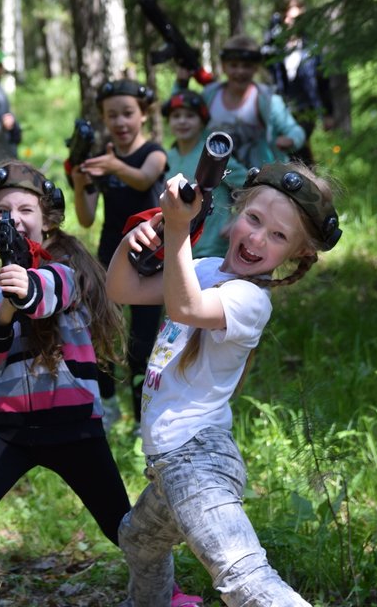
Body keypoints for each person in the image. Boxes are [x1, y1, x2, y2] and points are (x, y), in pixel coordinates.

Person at [0, 162, 201, 607]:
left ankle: (167, 596)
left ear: (47, 219)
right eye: (1, 211)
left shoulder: (69, 271)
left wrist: (26, 289)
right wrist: (3, 310)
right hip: (4, 431)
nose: (13, 217)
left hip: (75, 429)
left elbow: (53, 292)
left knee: (122, 526)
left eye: (24, 208)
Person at [105, 161, 342, 607]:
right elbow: (123, 289)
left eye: (277, 237)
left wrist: (178, 229)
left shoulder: (251, 300)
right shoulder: (210, 267)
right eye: (254, 220)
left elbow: (185, 308)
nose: (256, 239)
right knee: (137, 540)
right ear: (236, 212)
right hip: (171, 465)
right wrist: (137, 239)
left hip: (196, 461)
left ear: (296, 254)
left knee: (245, 580)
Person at [69, 79, 167, 427]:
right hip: (110, 257)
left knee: (143, 342)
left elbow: (143, 179)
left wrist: (112, 166)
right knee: (102, 334)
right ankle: (107, 404)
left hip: (153, 259)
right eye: (113, 116)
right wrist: (81, 184)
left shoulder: (153, 153)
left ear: (143, 115)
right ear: (104, 119)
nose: (121, 122)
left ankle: (144, 419)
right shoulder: (103, 160)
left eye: (128, 113)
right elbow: (85, 216)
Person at [176, 35, 304, 172]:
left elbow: (295, 131)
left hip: (260, 181)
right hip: (215, 179)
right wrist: (181, 84)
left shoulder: (268, 101)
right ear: (224, 67)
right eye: (234, 65)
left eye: (247, 66)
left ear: (256, 68)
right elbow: (178, 112)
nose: (240, 71)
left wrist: (290, 140)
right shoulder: (209, 95)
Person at [161, 91, 247, 259]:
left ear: (202, 121)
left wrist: (238, 219)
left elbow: (253, 187)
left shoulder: (215, 155)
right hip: (178, 250)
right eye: (176, 116)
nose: (182, 121)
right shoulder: (166, 158)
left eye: (190, 116)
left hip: (214, 249)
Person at [263, 0, 332, 167]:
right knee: (289, 150)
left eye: (296, 19)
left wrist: (328, 113)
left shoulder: (311, 47)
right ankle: (301, 178)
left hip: (305, 107)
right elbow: (265, 66)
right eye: (287, 18)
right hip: (283, 106)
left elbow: (323, 80)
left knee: (298, 141)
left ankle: (305, 179)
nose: (291, 23)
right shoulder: (275, 47)